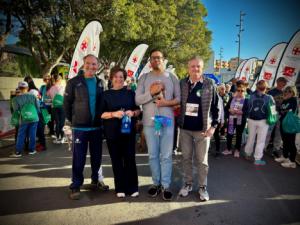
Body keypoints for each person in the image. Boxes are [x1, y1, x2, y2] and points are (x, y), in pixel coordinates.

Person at [135, 49, 180, 201]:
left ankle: (166, 185)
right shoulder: (144, 77)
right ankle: (156, 183)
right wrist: (152, 92)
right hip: (150, 122)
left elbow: (179, 98)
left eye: (159, 58)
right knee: (153, 155)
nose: (156, 60)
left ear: (163, 59)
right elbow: (137, 100)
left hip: (167, 122)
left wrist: (166, 102)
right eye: (153, 58)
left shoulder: (172, 77)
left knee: (166, 155)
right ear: (150, 61)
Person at [64, 54, 106, 200]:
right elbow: (66, 104)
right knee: (78, 159)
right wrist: (73, 120)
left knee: (97, 157)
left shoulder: (101, 83)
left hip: (96, 127)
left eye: (94, 64)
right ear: (83, 64)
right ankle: (75, 185)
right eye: (88, 63)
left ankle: (96, 180)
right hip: (80, 128)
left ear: (98, 65)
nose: (91, 66)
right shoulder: (73, 82)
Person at [178, 56, 219, 201]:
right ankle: (188, 183)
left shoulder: (210, 84)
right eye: (192, 66)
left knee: (202, 161)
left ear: (202, 68)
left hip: (203, 130)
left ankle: (202, 187)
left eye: (198, 66)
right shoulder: (182, 83)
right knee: (186, 158)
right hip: (185, 129)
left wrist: (213, 127)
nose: (195, 69)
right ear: (188, 68)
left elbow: (216, 107)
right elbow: (178, 103)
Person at [101, 66, 141, 198]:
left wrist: (132, 112)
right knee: (116, 160)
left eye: (121, 77)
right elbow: (101, 114)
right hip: (112, 133)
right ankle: (120, 188)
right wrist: (113, 114)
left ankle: (133, 187)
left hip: (128, 132)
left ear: (125, 79)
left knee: (130, 159)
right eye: (116, 77)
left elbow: (138, 110)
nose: (119, 79)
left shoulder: (130, 93)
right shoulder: (105, 95)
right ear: (111, 78)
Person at [244, 80, 275, 166]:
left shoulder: (250, 96)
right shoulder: (269, 97)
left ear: (257, 87)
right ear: (266, 88)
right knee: (260, 141)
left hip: (251, 120)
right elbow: (273, 111)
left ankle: (247, 154)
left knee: (250, 138)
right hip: (263, 121)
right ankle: (257, 159)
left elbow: (246, 107)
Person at [11, 81, 40, 157]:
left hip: (24, 119)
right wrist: (36, 114)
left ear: (19, 88)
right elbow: (38, 107)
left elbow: (16, 111)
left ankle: (18, 152)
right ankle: (32, 150)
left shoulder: (15, 99)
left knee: (21, 135)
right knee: (32, 134)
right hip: (34, 118)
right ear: (27, 88)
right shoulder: (33, 96)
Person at [275, 86, 298, 168]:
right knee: (285, 141)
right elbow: (281, 110)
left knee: (291, 142)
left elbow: (291, 110)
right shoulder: (285, 100)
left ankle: (292, 162)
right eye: (285, 91)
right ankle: (285, 157)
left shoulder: (293, 100)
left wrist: (284, 110)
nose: (287, 93)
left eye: (289, 91)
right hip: (283, 122)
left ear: (293, 92)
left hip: (290, 124)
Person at [223, 83, 248, 158]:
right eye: (238, 90)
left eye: (242, 91)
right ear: (236, 91)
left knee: (239, 135)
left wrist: (241, 112)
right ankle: (229, 149)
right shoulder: (232, 99)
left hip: (240, 120)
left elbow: (248, 111)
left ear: (244, 92)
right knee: (229, 134)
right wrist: (229, 110)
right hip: (231, 119)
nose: (240, 92)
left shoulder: (246, 100)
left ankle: (237, 150)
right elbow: (226, 108)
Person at [265, 77, 288, 156]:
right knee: (268, 131)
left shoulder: (285, 92)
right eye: (283, 83)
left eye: (285, 83)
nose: (284, 84)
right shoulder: (271, 92)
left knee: (279, 133)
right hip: (272, 114)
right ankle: (263, 147)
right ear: (278, 82)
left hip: (281, 114)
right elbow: (267, 103)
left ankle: (276, 149)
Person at [47, 73, 65, 143]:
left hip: (54, 107)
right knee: (62, 123)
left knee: (57, 123)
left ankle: (57, 138)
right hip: (62, 107)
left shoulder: (51, 88)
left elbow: (47, 95)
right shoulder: (63, 87)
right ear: (59, 80)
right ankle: (62, 137)